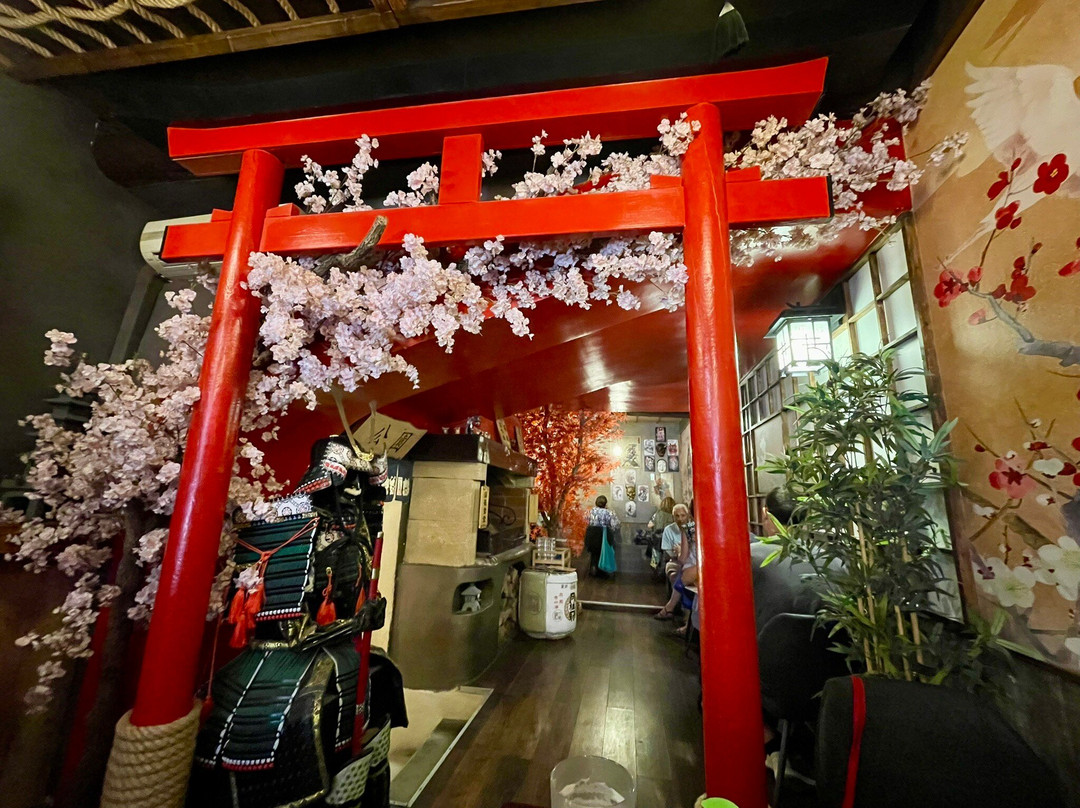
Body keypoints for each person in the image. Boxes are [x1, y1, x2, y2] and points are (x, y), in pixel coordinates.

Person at [655, 501, 695, 620]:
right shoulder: (671, 529)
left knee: (682, 577)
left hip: (692, 563)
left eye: (683, 515)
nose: (680, 519)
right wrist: (678, 553)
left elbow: (684, 557)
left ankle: (672, 609)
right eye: (677, 516)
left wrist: (680, 551)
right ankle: (677, 611)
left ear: (689, 514)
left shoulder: (689, 529)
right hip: (680, 561)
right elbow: (671, 553)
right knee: (677, 573)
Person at [583, 495, 620, 577]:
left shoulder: (590, 511)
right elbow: (615, 524)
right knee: (602, 552)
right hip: (603, 535)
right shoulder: (609, 512)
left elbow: (585, 520)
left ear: (596, 503)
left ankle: (593, 569)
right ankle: (602, 571)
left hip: (591, 534)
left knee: (593, 553)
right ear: (605, 504)